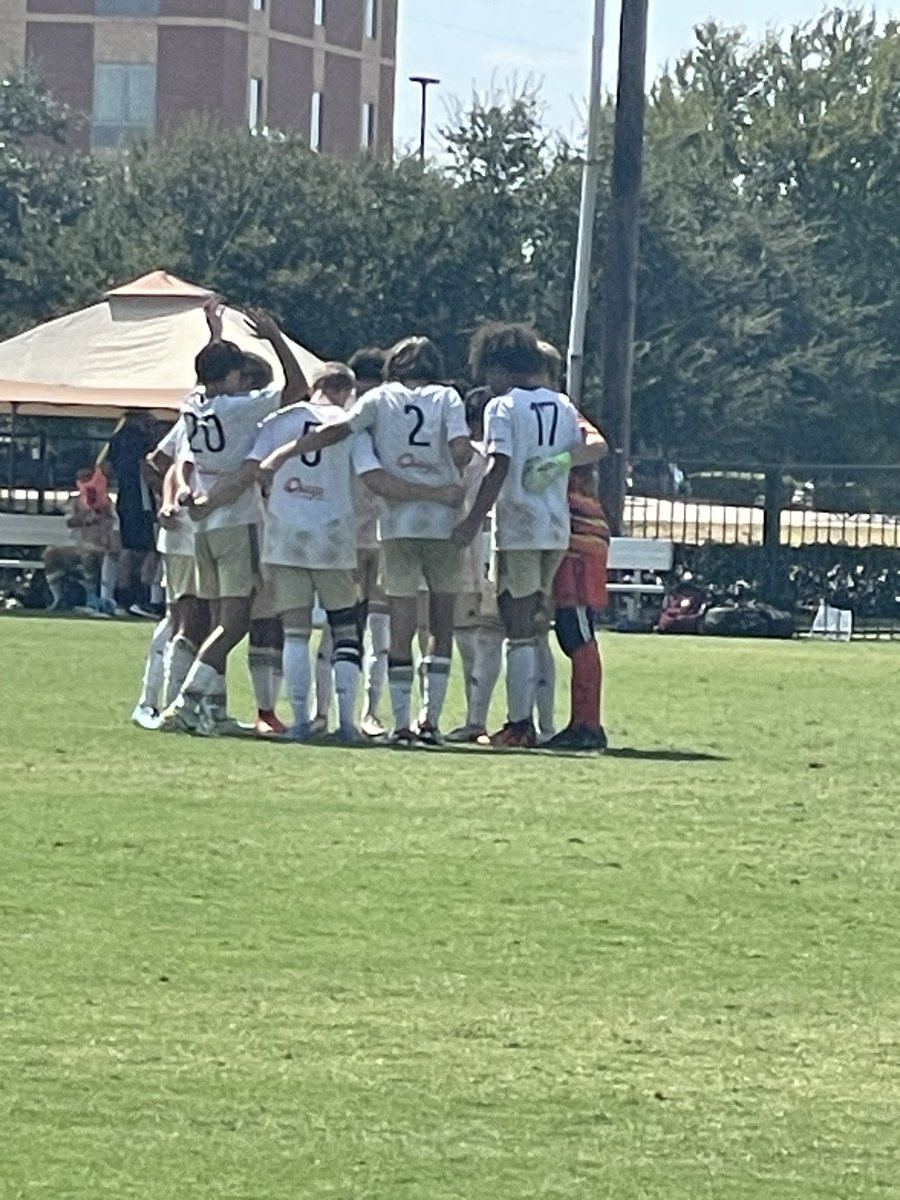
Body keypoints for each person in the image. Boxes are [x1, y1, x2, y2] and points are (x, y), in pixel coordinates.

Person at [255, 335, 471, 746]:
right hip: (444, 522)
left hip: (397, 524)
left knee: (399, 626)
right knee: (441, 625)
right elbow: (460, 450)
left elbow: (334, 431)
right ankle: (431, 721)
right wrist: (449, 472)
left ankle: (401, 724)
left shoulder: (380, 398)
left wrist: (280, 455)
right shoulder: (448, 397)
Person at [158, 306, 307, 735]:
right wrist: (276, 337)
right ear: (231, 377)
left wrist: (215, 332)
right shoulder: (239, 408)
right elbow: (297, 387)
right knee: (236, 621)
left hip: (201, 525)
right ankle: (187, 701)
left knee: (218, 618)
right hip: (235, 519)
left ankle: (215, 711)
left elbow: (206, 376)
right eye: (239, 372)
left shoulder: (192, 405)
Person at [452, 322, 587, 749]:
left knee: (517, 626)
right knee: (536, 626)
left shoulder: (503, 407)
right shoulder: (563, 405)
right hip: (555, 524)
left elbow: (499, 464)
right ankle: (538, 721)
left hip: (521, 526)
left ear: (502, 367)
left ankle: (519, 723)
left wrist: (474, 519)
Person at [444, 387, 504, 744]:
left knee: (459, 638)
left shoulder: (466, 456)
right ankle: (476, 716)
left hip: (464, 546)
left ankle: (472, 718)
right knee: (488, 639)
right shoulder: (495, 454)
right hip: (492, 545)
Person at [106, 409, 159, 616]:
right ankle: (141, 598)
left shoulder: (116, 439)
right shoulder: (141, 439)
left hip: (124, 497)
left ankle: (121, 599)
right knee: (150, 549)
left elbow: (106, 468)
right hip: (141, 498)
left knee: (129, 548)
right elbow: (147, 468)